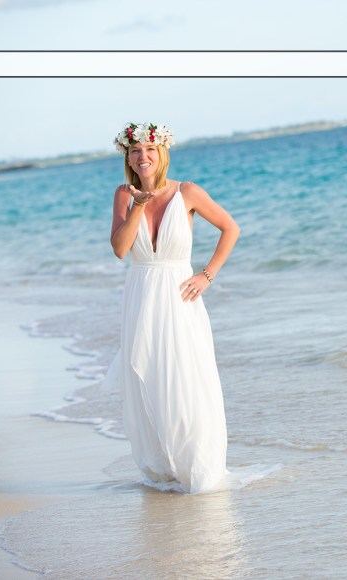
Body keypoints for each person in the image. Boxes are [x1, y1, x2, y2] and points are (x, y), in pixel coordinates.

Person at [107, 122, 240, 493]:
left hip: (179, 298)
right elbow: (120, 249)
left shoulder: (188, 192)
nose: (143, 157)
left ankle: (198, 468)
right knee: (146, 379)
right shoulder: (123, 194)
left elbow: (231, 228)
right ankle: (163, 473)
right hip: (139, 296)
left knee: (184, 381)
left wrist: (207, 275)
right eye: (135, 151)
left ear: (162, 153)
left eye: (150, 150)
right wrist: (138, 204)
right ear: (128, 158)